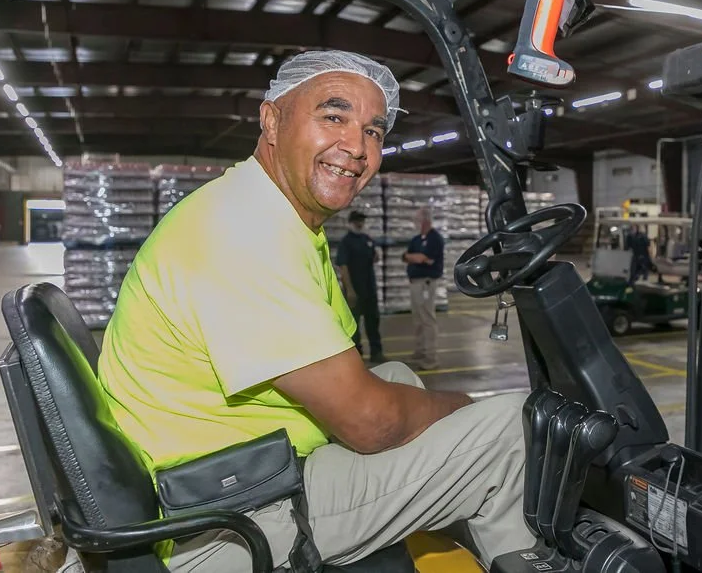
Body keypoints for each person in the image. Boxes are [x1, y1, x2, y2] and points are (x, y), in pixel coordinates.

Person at [97, 50, 535, 572]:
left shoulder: (275, 218)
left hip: (235, 466)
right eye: (334, 116)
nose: (356, 146)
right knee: (512, 426)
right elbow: (369, 423)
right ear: (272, 120)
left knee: (398, 376)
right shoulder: (244, 232)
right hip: (221, 522)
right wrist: (465, 407)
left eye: (374, 131)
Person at [336, 209, 385, 363]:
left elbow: (374, 258)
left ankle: (376, 352)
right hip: (355, 289)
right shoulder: (346, 242)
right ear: (350, 222)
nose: (360, 223)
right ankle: (357, 355)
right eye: (357, 220)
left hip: (369, 288)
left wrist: (376, 253)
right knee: (354, 324)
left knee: (373, 320)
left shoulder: (366, 239)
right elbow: (343, 266)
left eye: (362, 221)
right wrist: (349, 290)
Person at [402, 206, 444, 370]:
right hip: (415, 283)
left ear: (425, 220)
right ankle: (419, 352)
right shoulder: (417, 239)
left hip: (426, 283)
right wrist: (414, 257)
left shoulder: (435, 239)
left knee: (427, 318)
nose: (414, 222)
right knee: (418, 318)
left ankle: (431, 357)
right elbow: (405, 257)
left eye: (417, 220)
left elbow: (424, 258)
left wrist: (415, 257)